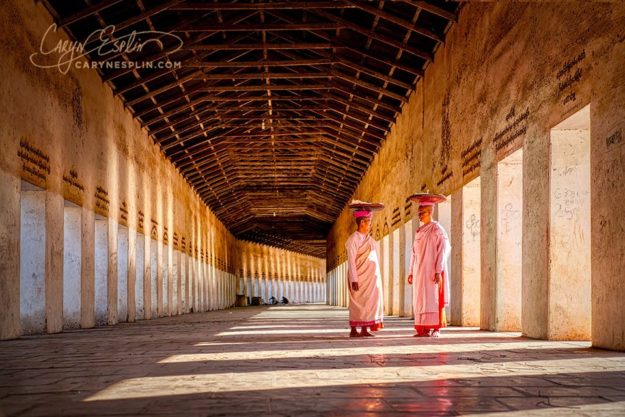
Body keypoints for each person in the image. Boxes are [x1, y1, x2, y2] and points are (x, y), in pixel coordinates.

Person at [406, 193, 451, 338]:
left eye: (422, 213)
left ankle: (436, 328)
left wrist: (438, 271)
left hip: (433, 272)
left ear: (430, 212)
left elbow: (442, 252)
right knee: (420, 300)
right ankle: (423, 329)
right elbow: (414, 253)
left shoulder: (438, 230)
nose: (420, 216)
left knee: (433, 299)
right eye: (419, 213)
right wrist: (411, 271)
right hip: (420, 272)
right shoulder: (419, 232)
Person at [345, 200, 384, 337]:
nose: (370, 225)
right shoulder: (353, 240)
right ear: (362, 223)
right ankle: (354, 329)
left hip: (369, 279)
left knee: (368, 302)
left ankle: (364, 329)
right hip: (359, 277)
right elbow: (351, 261)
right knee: (357, 303)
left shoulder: (370, 240)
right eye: (368, 222)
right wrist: (354, 279)